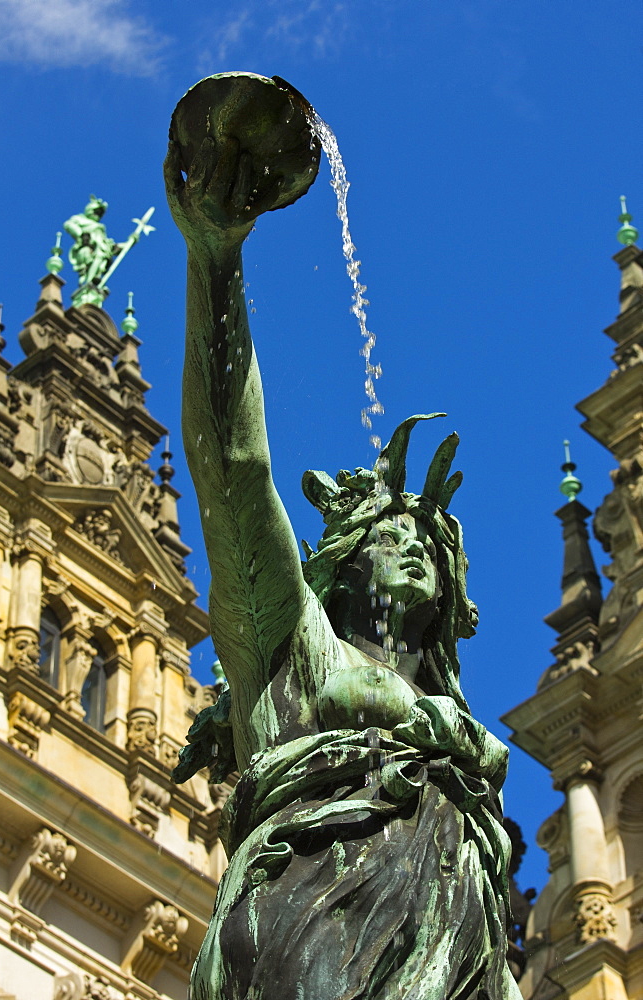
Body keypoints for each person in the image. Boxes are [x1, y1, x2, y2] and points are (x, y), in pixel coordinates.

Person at [165, 73, 521, 1000]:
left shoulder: (468, 758)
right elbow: (234, 474)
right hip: (311, 932)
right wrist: (215, 262)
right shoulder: (299, 653)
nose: (410, 543)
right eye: (387, 531)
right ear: (342, 564)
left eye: (428, 540)